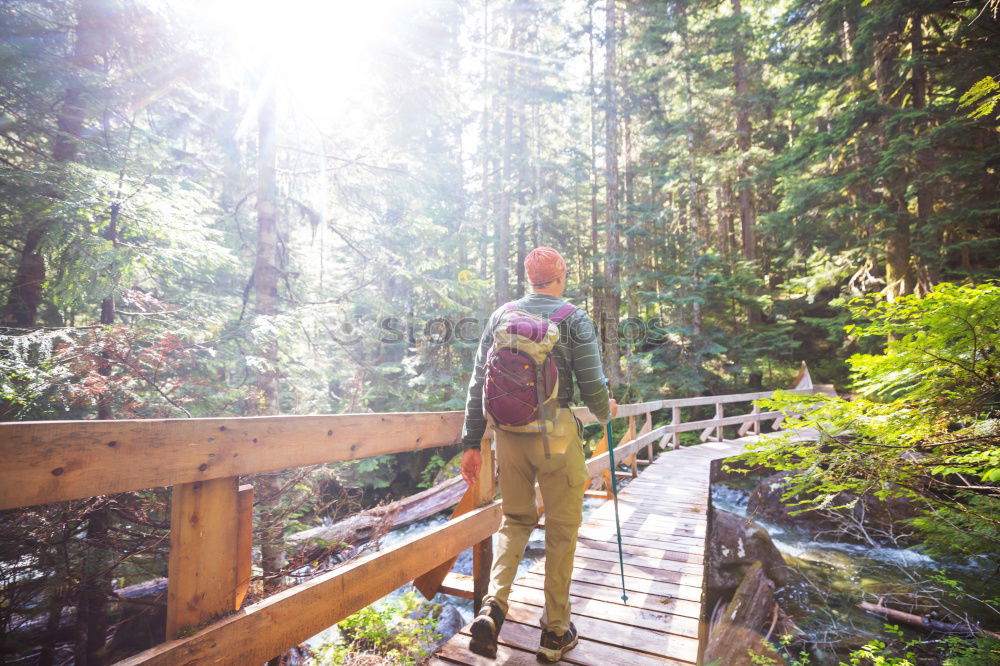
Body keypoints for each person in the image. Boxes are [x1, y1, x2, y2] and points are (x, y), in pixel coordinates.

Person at [458, 246, 617, 662]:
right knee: (562, 529)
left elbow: (478, 382)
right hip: (557, 436)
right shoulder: (574, 319)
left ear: (528, 278)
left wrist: (471, 443)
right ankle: (555, 633)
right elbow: (593, 384)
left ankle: (493, 607)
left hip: (508, 436)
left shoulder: (501, 315)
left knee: (515, 519)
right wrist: (605, 414)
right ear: (560, 275)